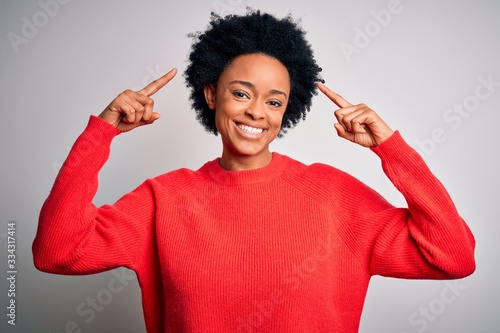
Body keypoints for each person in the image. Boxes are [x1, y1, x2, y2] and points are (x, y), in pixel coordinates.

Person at [32, 10, 476, 333]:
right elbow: (56, 251)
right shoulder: (162, 200)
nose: (257, 113)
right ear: (211, 94)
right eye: (241, 93)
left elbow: (453, 256)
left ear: (288, 109)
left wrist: (391, 149)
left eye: (274, 101)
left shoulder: (335, 196)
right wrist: (101, 134)